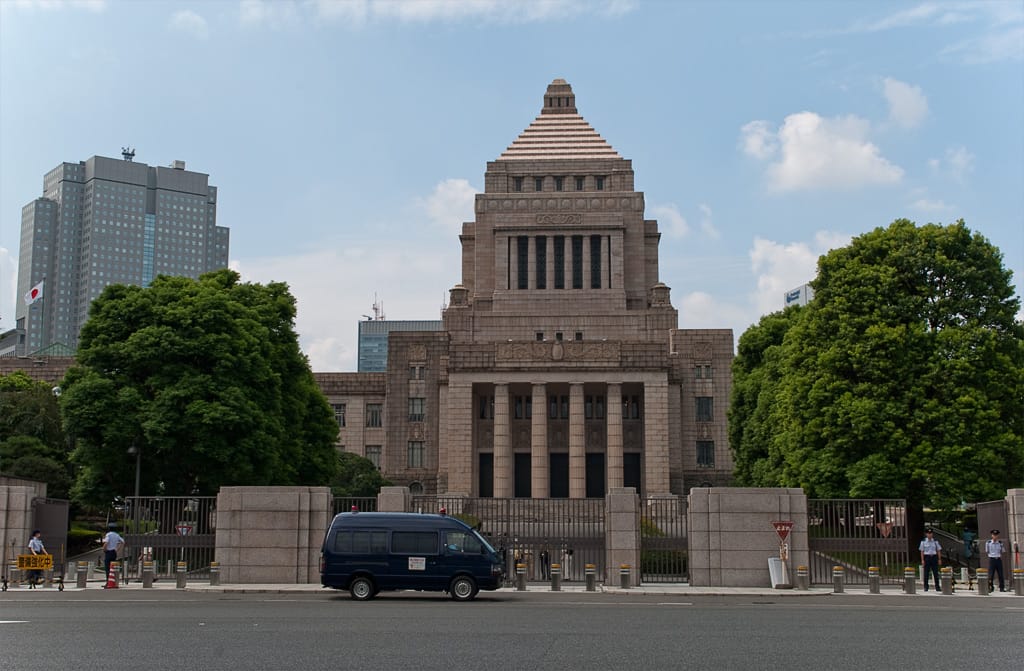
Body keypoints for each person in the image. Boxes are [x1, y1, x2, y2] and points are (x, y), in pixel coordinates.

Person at [918, 528, 942, 592]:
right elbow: (922, 551)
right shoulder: (923, 542)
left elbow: (938, 550)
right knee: (926, 573)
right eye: (928, 533)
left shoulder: (935, 541)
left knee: (935, 573)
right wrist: (922, 560)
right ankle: (926, 587)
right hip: (927, 557)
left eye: (931, 533)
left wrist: (939, 559)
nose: (930, 535)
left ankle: (937, 587)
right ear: (926, 534)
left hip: (934, 557)